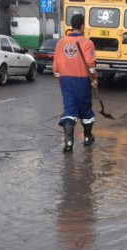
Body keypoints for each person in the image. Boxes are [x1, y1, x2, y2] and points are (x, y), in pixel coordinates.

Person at [53, 14, 98, 153]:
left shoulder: (61, 42)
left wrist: (60, 79)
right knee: (85, 109)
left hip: (66, 80)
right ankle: (87, 137)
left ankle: (68, 142)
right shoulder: (87, 43)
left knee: (69, 108)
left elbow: (55, 66)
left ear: (71, 26)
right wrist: (94, 79)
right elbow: (90, 64)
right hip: (83, 80)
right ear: (83, 26)